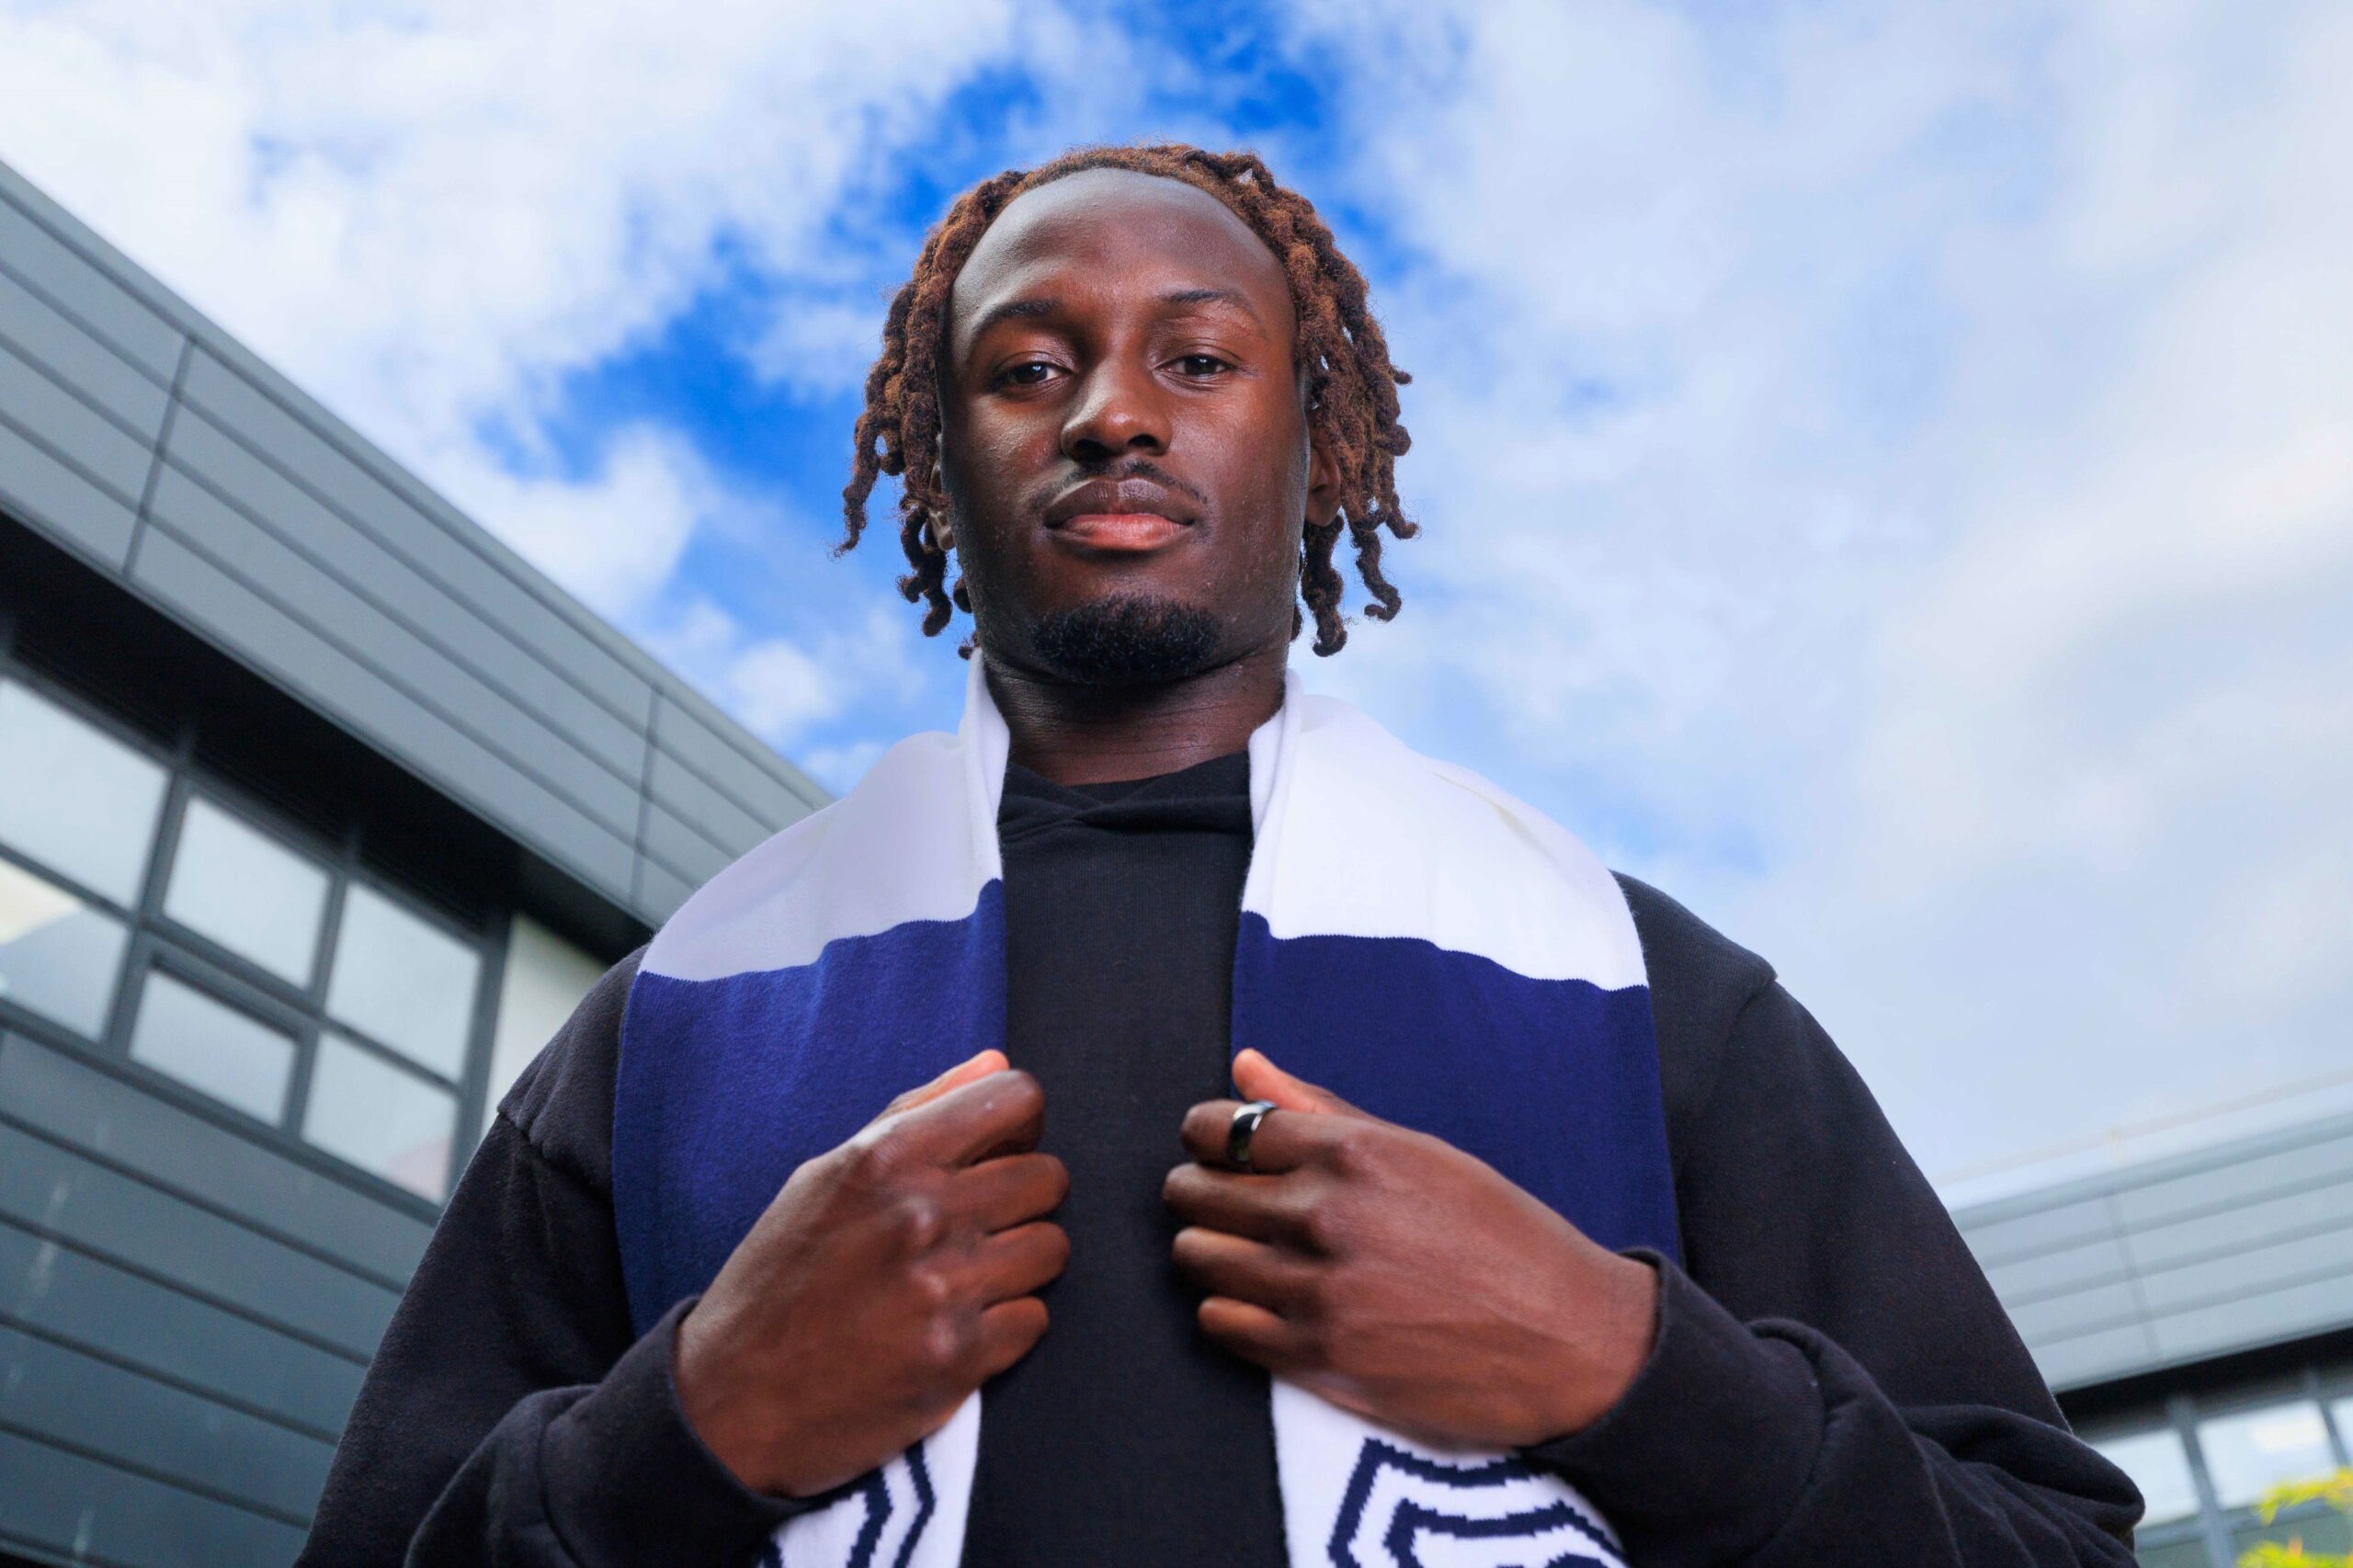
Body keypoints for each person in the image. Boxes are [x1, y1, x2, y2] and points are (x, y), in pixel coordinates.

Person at [296, 144, 2143, 1568]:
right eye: (1030, 365)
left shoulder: (1633, 990)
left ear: (1319, 446)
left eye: (1195, 356)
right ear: (936, 462)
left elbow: (2053, 1544)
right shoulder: (678, 1028)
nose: (1111, 410)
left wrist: (1629, 1368)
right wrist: (684, 1429)